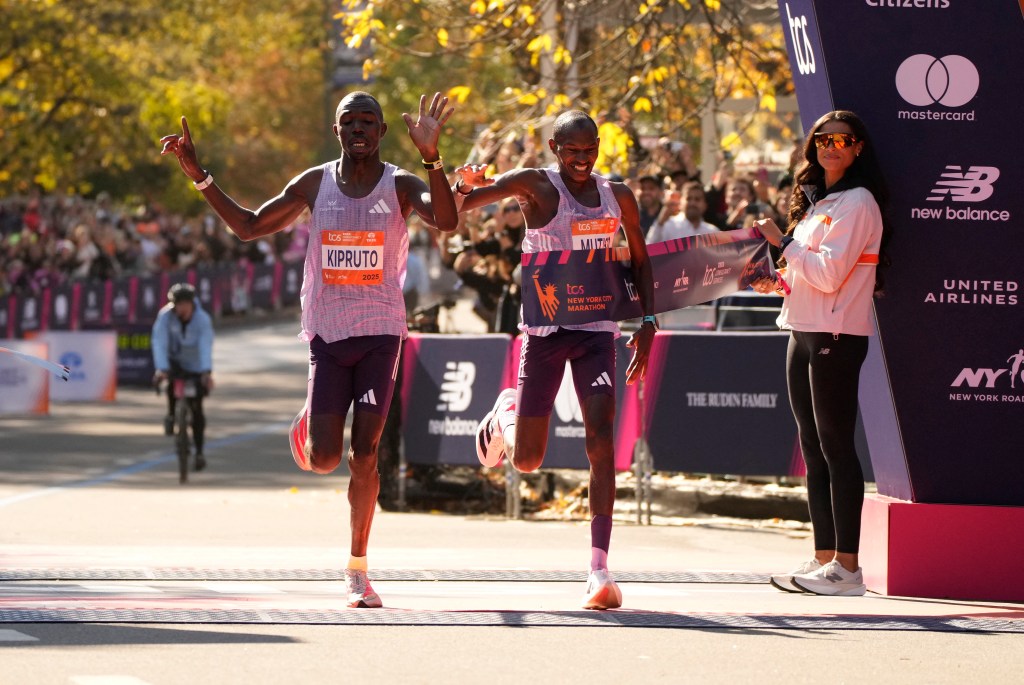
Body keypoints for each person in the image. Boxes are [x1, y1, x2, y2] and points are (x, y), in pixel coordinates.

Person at [160, 91, 459, 608]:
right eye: (350, 121)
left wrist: (432, 158)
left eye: (369, 121)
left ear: (383, 131)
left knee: (363, 454)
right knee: (323, 460)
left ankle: (358, 570)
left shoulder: (402, 184)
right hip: (326, 331)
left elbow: (448, 220)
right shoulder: (314, 183)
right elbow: (250, 226)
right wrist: (198, 174)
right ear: (336, 129)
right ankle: (313, 420)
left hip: (381, 333)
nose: (359, 128)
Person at [452, 110, 656, 610]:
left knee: (601, 438)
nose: (582, 161)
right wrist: (461, 182)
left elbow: (640, 259)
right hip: (545, 332)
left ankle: (599, 569)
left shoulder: (618, 195)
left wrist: (648, 323)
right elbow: (461, 206)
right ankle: (506, 412)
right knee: (527, 459)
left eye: (591, 151)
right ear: (552, 148)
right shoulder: (534, 186)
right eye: (572, 152)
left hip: (595, 331)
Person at [753, 110, 891, 597]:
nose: (830, 147)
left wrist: (784, 242)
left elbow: (831, 276)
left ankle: (848, 570)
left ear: (857, 148)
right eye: (822, 139)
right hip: (802, 328)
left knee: (836, 448)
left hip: (836, 333)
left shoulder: (859, 202)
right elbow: (808, 274)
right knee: (812, 449)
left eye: (841, 140)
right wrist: (778, 278)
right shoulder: (818, 202)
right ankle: (825, 557)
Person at [152, 282, 214, 473]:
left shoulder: (202, 319)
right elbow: (159, 342)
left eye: (183, 304)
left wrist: (206, 371)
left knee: (197, 411)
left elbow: (205, 345)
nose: (180, 308)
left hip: (196, 365)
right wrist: (161, 368)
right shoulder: (165, 317)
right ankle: (172, 414)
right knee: (172, 385)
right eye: (176, 304)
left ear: (191, 303)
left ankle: (199, 453)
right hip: (175, 363)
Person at [645, 181, 719, 243]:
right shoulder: (668, 226)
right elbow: (649, 249)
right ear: (680, 202)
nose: (692, 203)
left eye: (697, 199)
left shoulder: (713, 232)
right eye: (688, 198)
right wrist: (660, 222)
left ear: (705, 205)